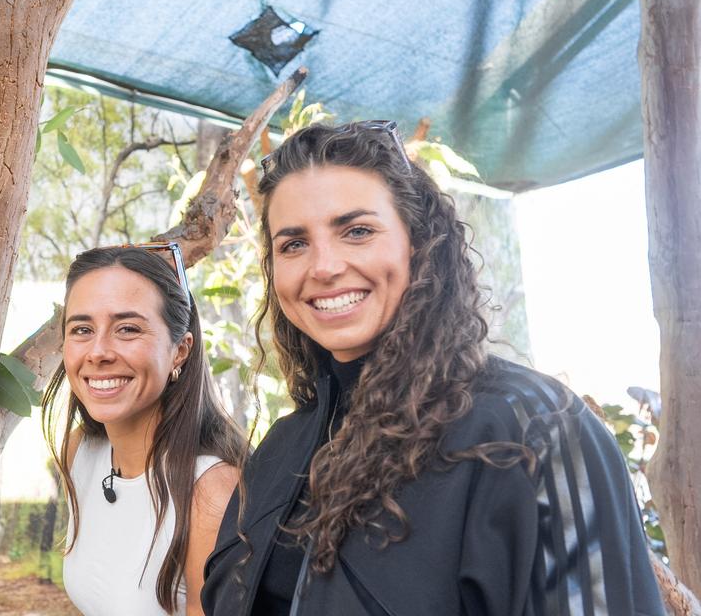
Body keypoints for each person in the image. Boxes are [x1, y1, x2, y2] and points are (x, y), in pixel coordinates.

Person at [201, 121, 665, 616]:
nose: (324, 266)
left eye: (356, 231)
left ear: (420, 242)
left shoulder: (534, 429)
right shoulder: (282, 446)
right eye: (293, 244)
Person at [43, 244, 248, 615]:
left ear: (180, 351)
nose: (98, 351)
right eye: (82, 328)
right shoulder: (81, 452)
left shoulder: (211, 494)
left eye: (128, 329)